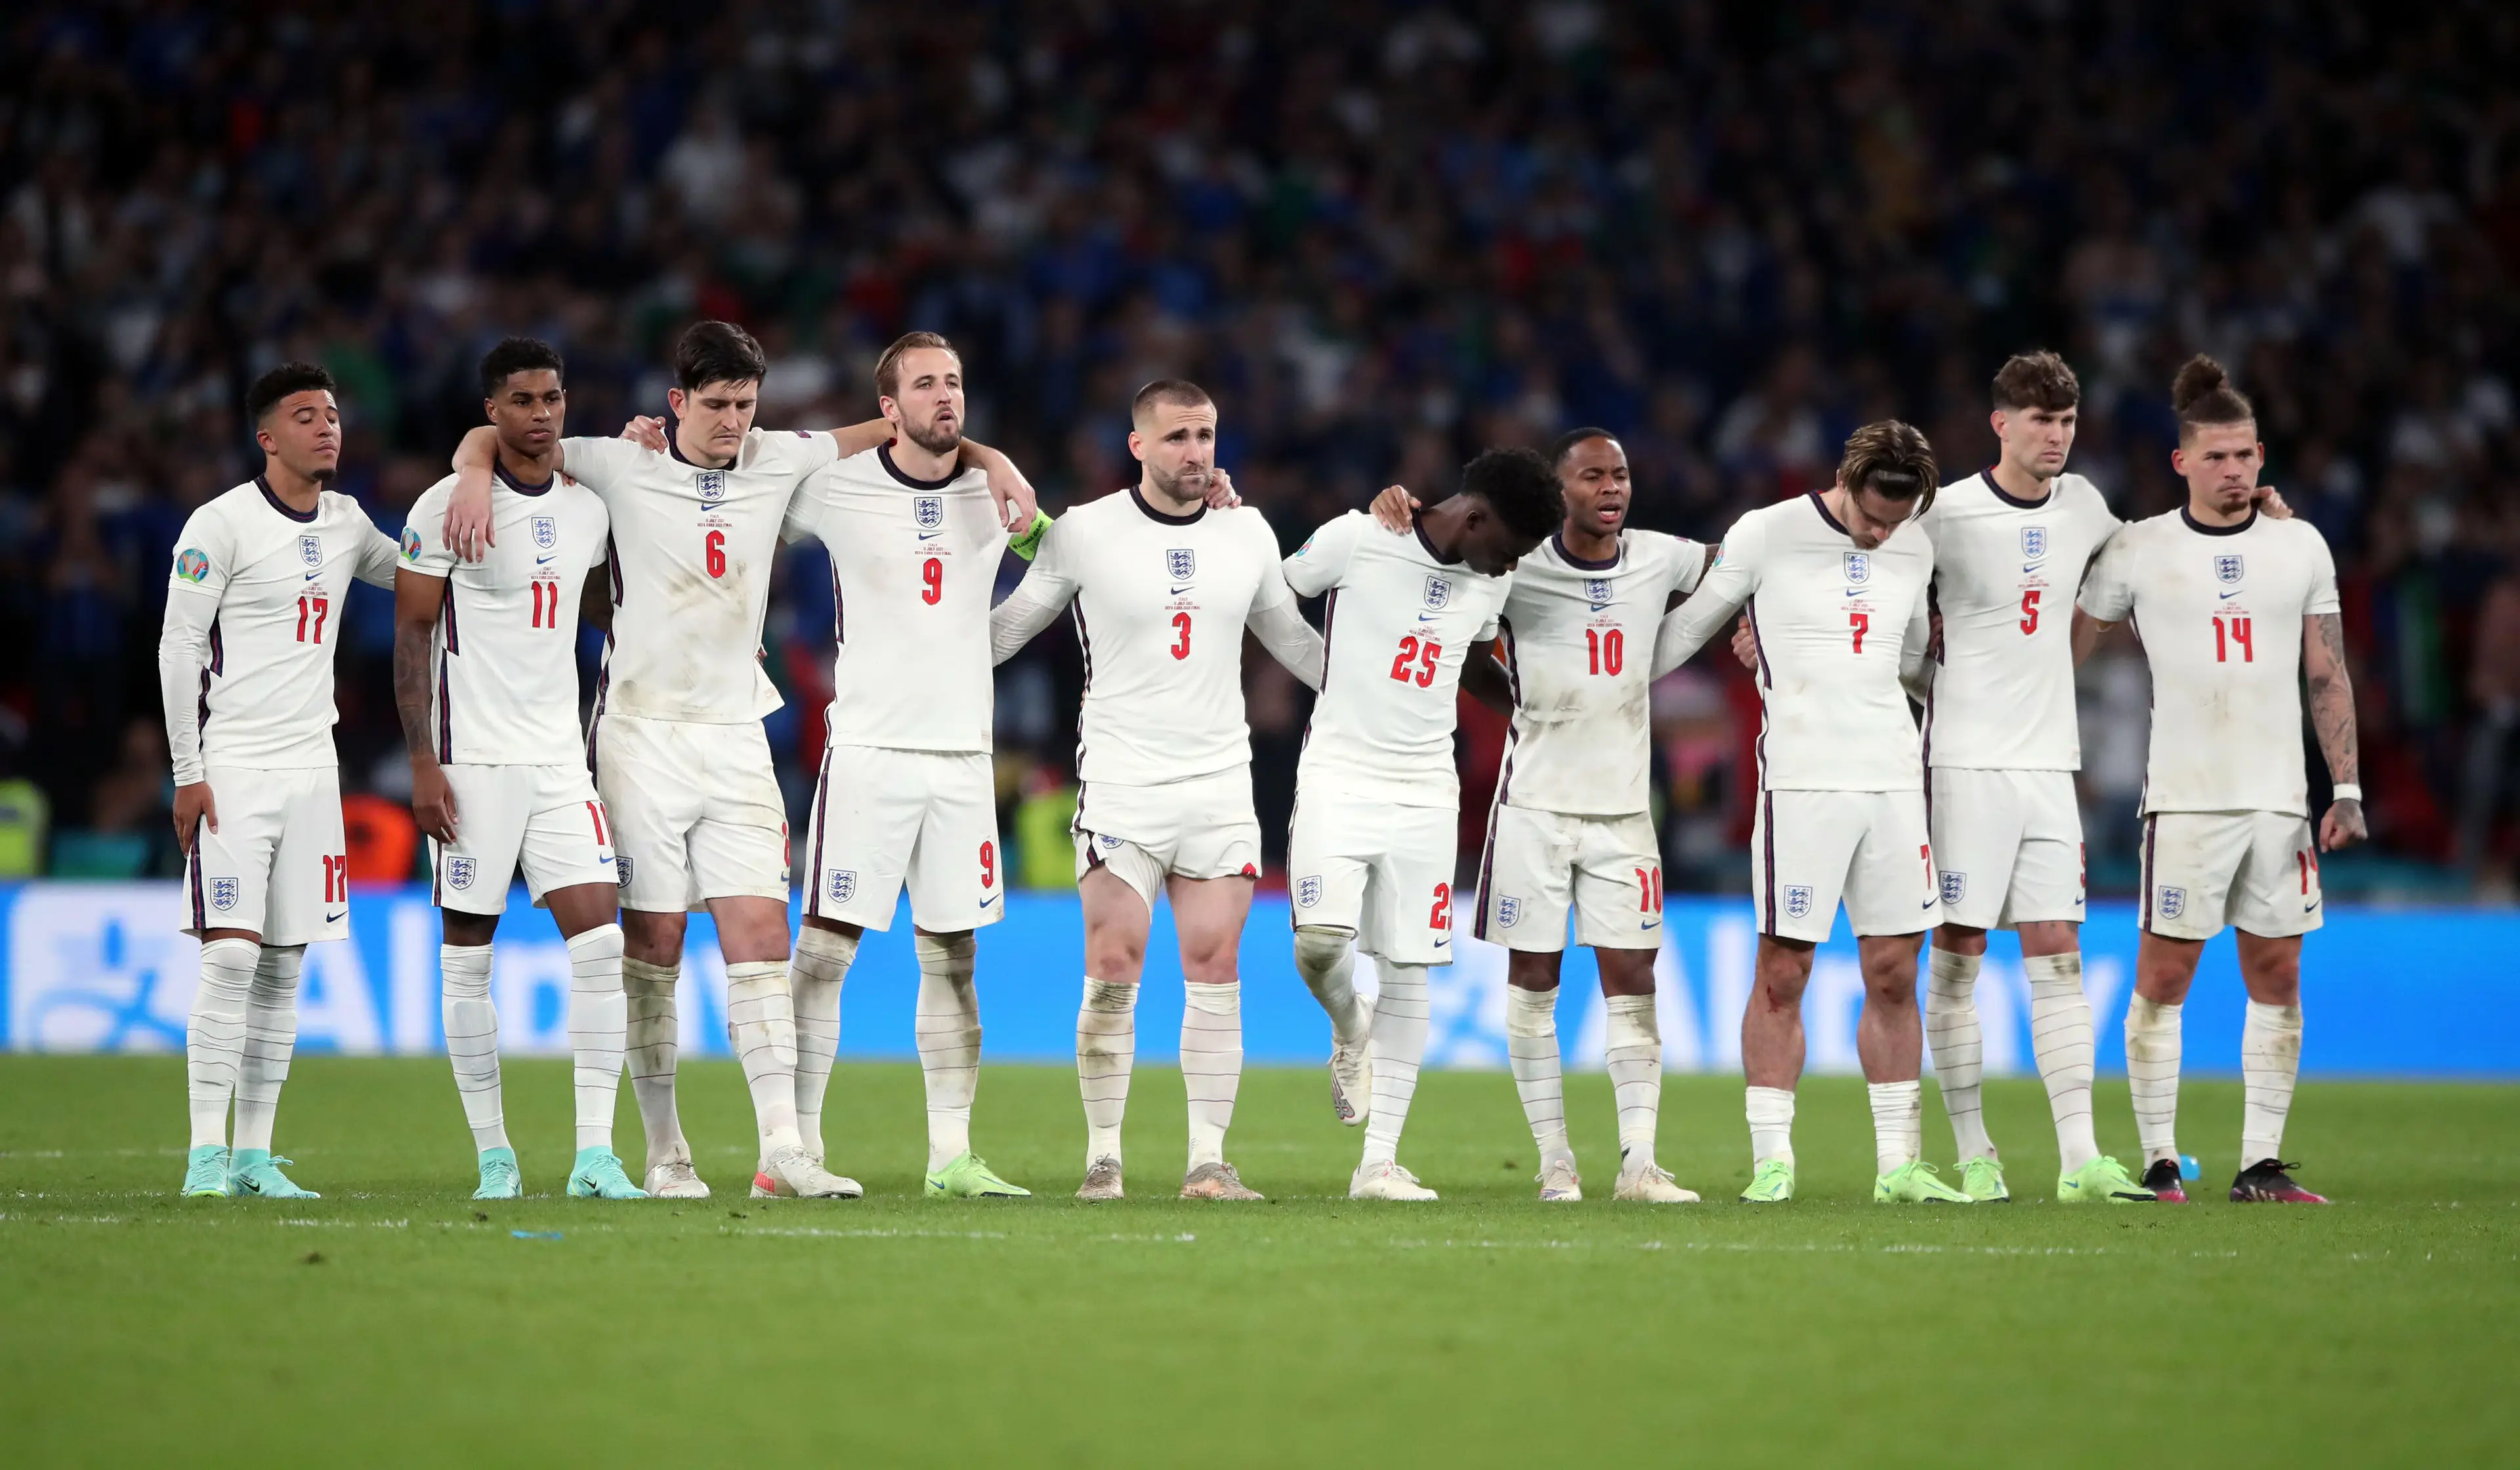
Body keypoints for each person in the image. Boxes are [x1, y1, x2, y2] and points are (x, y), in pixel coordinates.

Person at [440, 320, 1032, 1200]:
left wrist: (996, 460)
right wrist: (471, 473)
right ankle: (666, 1152)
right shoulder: (619, 462)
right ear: (675, 402)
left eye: (745, 405)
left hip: (737, 735)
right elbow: (507, 431)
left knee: (761, 939)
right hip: (640, 734)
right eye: (714, 405)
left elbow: (906, 428)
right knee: (657, 942)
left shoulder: (777, 457)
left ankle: (784, 1149)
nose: (731, 423)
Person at [988, 379, 1325, 1202]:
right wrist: (916, 656)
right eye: (1176, 436)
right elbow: (1008, 627)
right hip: (1122, 781)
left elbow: (1298, 645)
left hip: (1216, 783)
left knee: (1216, 966)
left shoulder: (1247, 531)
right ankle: (1104, 1157)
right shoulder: (1085, 532)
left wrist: (1387, 695)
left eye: (1206, 435)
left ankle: (1209, 1162)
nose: (1195, 452)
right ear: (1137, 444)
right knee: (1113, 966)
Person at [1366, 430, 1710, 1204]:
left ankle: (1639, 1163)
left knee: (1634, 979)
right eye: (1592, 476)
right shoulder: (1517, 569)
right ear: (1559, 492)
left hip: (1624, 813)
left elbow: (1739, 566)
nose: (1611, 487)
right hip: (1533, 809)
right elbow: (1448, 617)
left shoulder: (1661, 556)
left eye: (1621, 473)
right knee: (1533, 980)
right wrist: (1513, 700)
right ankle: (1557, 1160)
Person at [1650, 421, 1971, 1205]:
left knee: (1895, 973)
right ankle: (1773, 1162)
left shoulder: (1913, 544)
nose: (1881, 531)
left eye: (1896, 519)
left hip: (1893, 782)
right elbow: (1690, 627)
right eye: (1871, 514)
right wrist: (1607, 687)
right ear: (1843, 479)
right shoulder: (1768, 532)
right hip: (1800, 783)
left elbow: (1906, 659)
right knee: (1783, 972)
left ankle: (1898, 1165)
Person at [2072, 355, 2363, 1204]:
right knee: (2164, 980)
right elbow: (2070, 649)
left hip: (2278, 799)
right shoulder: (2138, 548)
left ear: (2262, 455)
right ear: (2182, 463)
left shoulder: (2300, 544)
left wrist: (2344, 788)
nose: (2233, 471)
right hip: (2186, 799)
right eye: (2217, 457)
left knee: (2278, 976)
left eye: (2245, 456)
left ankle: (2260, 1165)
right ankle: (2160, 1162)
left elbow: (2328, 673)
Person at [777, 332, 1048, 1199]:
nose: (946, 398)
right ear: (886, 406)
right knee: (822, 954)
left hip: (964, 759)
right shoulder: (838, 488)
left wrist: (987, 645)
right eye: (925, 385)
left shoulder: (992, 494)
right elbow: (742, 490)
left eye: (956, 383)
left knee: (955, 961)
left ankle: (951, 1159)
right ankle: (794, 1152)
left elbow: (1065, 570)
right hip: (868, 754)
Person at [392, 338, 643, 1202]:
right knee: (469, 956)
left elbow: (608, 604)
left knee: (603, 943)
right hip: (472, 767)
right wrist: (423, 763)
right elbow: (413, 636)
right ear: (492, 410)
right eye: (524, 401)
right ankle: (494, 1155)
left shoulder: (587, 508)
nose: (542, 414)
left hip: (557, 763)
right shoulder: (444, 505)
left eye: (553, 398)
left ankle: (594, 1156)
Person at [1904, 352, 2156, 1204]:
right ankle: (1977, 1152)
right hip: (1966, 762)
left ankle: (2080, 1159)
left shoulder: (2085, 506)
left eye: (2068, 422)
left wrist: (2257, 514)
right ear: (2000, 424)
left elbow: (2142, 556)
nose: (2056, 436)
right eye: (2041, 421)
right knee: (1962, 953)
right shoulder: (1947, 514)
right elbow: (1875, 585)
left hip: (2051, 765)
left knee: (2059, 954)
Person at [1283, 448, 1561, 1201]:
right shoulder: (1356, 537)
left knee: (1409, 966)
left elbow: (1471, 661)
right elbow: (1272, 598)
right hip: (1339, 774)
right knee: (1318, 943)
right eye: (1506, 547)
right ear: (1473, 517)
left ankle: (1378, 1162)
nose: (1510, 565)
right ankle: (1350, 1027)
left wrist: (1527, 711)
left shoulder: (1488, 581)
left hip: (1426, 791)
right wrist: (1324, 670)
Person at [159, 363, 400, 1199]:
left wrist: (479, 486)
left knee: (284, 967)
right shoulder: (218, 524)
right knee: (231, 961)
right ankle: (203, 1158)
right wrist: (188, 771)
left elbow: (416, 576)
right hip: (233, 768)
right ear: (268, 437)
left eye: (332, 413)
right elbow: (178, 648)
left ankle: (255, 1156)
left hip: (312, 772)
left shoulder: (346, 521)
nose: (327, 426)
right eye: (306, 416)